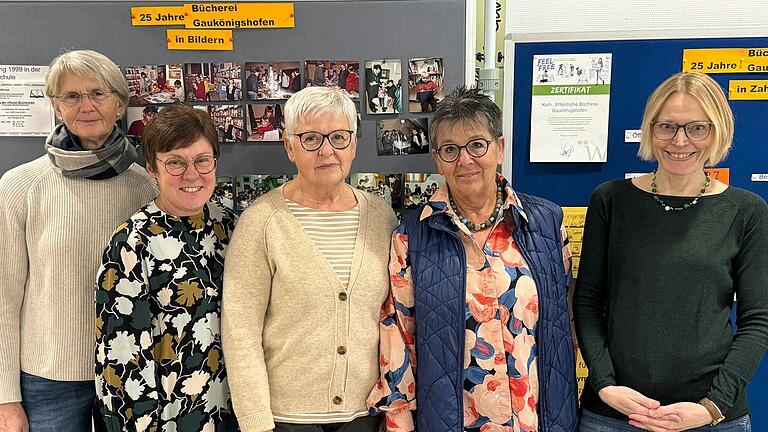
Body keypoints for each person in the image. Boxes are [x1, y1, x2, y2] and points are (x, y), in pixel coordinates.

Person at [368, 86, 578, 432]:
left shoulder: (546, 223)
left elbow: (563, 328)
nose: (465, 160)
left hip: (537, 420)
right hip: (451, 421)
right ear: (437, 158)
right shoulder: (412, 236)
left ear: (499, 148)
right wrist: (399, 420)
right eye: (450, 149)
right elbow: (399, 339)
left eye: (477, 145)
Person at [574, 72, 768, 432]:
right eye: (667, 126)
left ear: (717, 131)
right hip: (614, 415)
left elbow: (758, 321)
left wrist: (713, 406)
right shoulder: (611, 200)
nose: (680, 141)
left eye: (697, 128)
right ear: (651, 129)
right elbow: (587, 303)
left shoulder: (747, 210)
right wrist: (605, 385)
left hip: (710, 419)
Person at [222, 86, 398, 432]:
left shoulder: (382, 217)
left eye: (339, 137)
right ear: (289, 146)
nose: (327, 150)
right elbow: (239, 331)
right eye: (311, 139)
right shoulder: (261, 222)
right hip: (286, 418)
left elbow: (393, 317)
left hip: (364, 415)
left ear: (354, 143)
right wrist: (256, 422)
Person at [0, 49, 157, 432]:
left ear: (120, 104)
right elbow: (3, 297)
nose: (86, 106)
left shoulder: (148, 188)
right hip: (48, 379)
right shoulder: (20, 187)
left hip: (130, 372)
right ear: (56, 106)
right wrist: (5, 397)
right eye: (72, 96)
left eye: (98, 94)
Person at [95, 104, 239, 431]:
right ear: (151, 168)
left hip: (235, 412)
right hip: (169, 418)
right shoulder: (132, 243)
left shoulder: (232, 228)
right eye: (175, 162)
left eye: (202, 160)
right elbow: (122, 359)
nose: (192, 174)